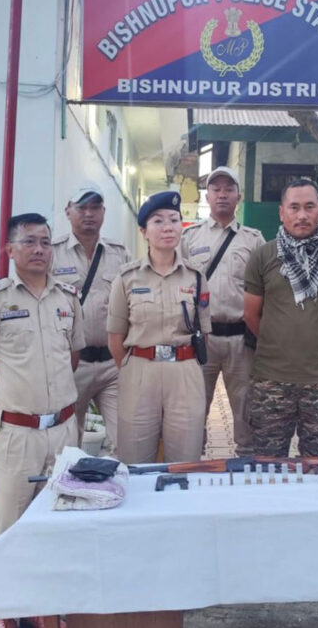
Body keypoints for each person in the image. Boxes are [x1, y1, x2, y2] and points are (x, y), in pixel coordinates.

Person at [0, 213, 85, 536]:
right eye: (29, 241)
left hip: (63, 431)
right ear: (10, 250)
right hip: (18, 437)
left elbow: (72, 357)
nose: (39, 249)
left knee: (61, 521)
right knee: (12, 529)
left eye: (45, 242)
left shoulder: (68, 298)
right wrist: (3, 401)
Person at [243, 178, 318, 458]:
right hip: (271, 379)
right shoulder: (263, 256)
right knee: (269, 465)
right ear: (282, 212)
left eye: (309, 206)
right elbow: (252, 315)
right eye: (294, 207)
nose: (302, 215)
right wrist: (278, 341)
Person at [107, 192, 209, 464]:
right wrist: (133, 369)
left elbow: (204, 332)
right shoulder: (127, 278)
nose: (168, 227)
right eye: (158, 221)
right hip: (140, 371)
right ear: (144, 231)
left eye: (174, 220)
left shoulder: (196, 277)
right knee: (135, 458)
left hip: (185, 371)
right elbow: (115, 338)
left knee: (185, 460)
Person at [181, 167, 265, 456]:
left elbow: (265, 290)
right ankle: (194, 462)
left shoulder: (253, 240)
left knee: (246, 411)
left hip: (241, 340)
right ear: (207, 196)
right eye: (216, 189)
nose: (222, 194)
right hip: (201, 340)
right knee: (194, 410)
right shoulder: (189, 238)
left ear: (238, 197)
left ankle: (247, 462)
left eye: (229, 189)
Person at [51, 183, 130, 452]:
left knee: (125, 440)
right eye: (81, 207)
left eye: (95, 207)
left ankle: (118, 478)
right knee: (68, 444)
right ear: (68, 211)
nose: (88, 213)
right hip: (73, 365)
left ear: (103, 212)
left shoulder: (119, 253)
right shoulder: (53, 253)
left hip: (111, 365)